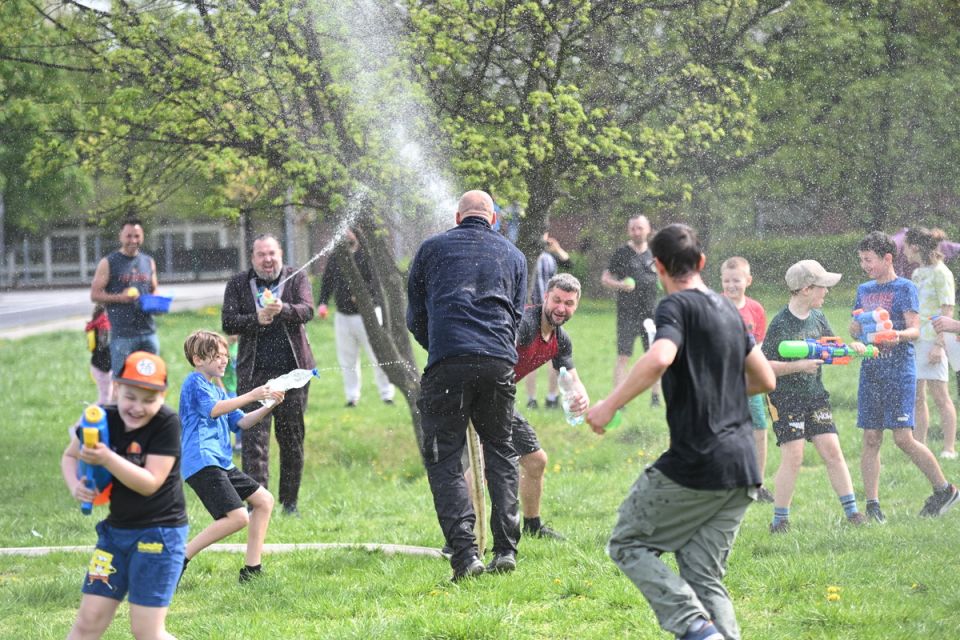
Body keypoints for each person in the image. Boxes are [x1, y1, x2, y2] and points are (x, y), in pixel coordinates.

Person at [586, 223, 776, 640]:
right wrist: (717, 385)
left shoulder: (673, 307)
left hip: (698, 462)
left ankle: (696, 629)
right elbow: (764, 379)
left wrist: (608, 405)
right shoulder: (729, 310)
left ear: (657, 267)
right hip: (744, 468)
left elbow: (659, 358)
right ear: (702, 262)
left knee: (628, 543)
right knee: (703, 573)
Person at [407, 189, 527, 582]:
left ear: (458, 217)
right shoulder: (514, 255)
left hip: (448, 362)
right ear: (493, 219)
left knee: (445, 459)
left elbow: (415, 315)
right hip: (498, 363)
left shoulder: (431, 249)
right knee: (502, 451)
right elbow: (516, 317)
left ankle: (465, 556)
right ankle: (506, 550)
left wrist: (441, 346)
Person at [60, 351, 188, 640]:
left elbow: (150, 483)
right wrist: (75, 485)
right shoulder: (103, 419)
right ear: (116, 388)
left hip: (159, 534)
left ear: (163, 396)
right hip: (115, 534)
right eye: (130, 397)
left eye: (149, 400)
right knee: (88, 621)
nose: (137, 407)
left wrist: (107, 458)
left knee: (147, 631)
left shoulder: (167, 423)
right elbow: (69, 456)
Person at [850, 231, 958, 522]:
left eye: (869, 259)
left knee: (903, 439)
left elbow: (915, 330)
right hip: (871, 371)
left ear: (887, 258)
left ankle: (945, 489)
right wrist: (855, 330)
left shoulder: (905, 287)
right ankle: (873, 506)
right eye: (861, 260)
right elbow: (855, 325)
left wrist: (895, 335)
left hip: (899, 371)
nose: (864, 265)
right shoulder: (863, 290)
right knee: (871, 437)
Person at [761, 260, 865, 533]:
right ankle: (779, 521)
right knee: (794, 456)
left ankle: (853, 513)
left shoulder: (818, 318)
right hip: (785, 398)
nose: (827, 291)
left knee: (832, 450)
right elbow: (765, 366)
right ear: (806, 289)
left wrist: (852, 349)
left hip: (815, 395)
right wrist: (798, 366)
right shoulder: (781, 324)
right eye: (822, 287)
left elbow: (833, 350)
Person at [178, 330, 284, 584]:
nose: (224, 360)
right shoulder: (194, 383)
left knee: (264, 501)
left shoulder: (218, 390)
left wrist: (269, 405)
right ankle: (179, 558)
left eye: (225, 355)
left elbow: (242, 423)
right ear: (197, 359)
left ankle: (251, 570)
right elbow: (214, 411)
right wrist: (252, 395)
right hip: (202, 461)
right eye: (217, 356)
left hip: (220, 462)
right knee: (237, 517)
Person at [222, 234, 315, 516]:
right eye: (261, 254)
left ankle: (290, 504)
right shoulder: (238, 284)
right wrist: (256, 319)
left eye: (272, 253)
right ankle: (257, 504)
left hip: (292, 374)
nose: (267, 259)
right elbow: (228, 322)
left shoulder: (296, 278)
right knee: (254, 442)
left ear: (281, 254)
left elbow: (308, 310)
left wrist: (283, 310)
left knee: (291, 439)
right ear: (252, 258)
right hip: (254, 374)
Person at [513, 273, 587, 539]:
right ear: (545, 297)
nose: (561, 308)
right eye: (556, 300)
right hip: (481, 391)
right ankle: (461, 536)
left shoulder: (561, 339)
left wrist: (581, 397)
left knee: (535, 461)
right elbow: (495, 355)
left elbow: (573, 381)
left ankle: (532, 528)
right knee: (487, 466)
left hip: (501, 397)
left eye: (568, 303)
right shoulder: (525, 324)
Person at [316, 228, 395, 407]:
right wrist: (322, 302)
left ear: (358, 231)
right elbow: (327, 280)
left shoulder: (367, 255)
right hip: (343, 315)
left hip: (369, 315)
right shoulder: (337, 255)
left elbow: (376, 283)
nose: (346, 233)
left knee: (378, 355)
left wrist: (364, 297)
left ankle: (387, 394)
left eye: (350, 230)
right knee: (347, 359)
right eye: (344, 229)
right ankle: (352, 397)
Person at [720, 256, 773, 503]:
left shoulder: (756, 309)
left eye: (736, 280)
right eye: (727, 281)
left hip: (750, 381)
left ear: (748, 281)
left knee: (759, 428)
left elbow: (759, 343)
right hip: (721, 381)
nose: (731, 285)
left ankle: (757, 484)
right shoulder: (715, 306)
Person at [903, 228, 957, 458]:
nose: (904, 250)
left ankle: (949, 448)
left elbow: (947, 310)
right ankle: (920, 447)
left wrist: (939, 345)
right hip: (916, 339)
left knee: (940, 396)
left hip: (933, 341)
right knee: (917, 396)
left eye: (906, 246)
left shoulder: (941, 273)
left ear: (915, 246)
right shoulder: (917, 273)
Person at [601, 214, 662, 406]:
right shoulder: (622, 253)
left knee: (655, 357)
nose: (636, 232)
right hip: (627, 313)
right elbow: (605, 278)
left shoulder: (655, 253)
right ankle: (619, 400)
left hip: (650, 314)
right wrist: (620, 285)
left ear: (648, 229)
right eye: (633, 228)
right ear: (628, 231)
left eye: (640, 228)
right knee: (623, 356)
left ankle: (655, 398)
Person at [89, 217, 160, 377]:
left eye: (137, 236)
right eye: (128, 236)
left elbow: (154, 290)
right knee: (122, 382)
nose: (133, 240)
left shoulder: (148, 261)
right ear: (120, 237)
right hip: (122, 335)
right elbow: (95, 295)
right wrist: (120, 298)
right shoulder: (108, 262)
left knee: (151, 381)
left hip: (148, 333)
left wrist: (157, 303)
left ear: (142, 237)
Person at [524, 233, 570, 410]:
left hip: (544, 311)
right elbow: (568, 264)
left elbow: (568, 264)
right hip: (538, 310)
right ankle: (538, 398)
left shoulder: (543, 257)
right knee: (537, 354)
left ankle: (544, 398)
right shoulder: (536, 257)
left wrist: (557, 249)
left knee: (549, 354)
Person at [86, 304, 113, 405]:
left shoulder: (98, 321)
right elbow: (104, 345)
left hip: (98, 366)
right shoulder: (104, 323)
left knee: (110, 397)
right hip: (102, 368)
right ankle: (90, 414)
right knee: (105, 400)